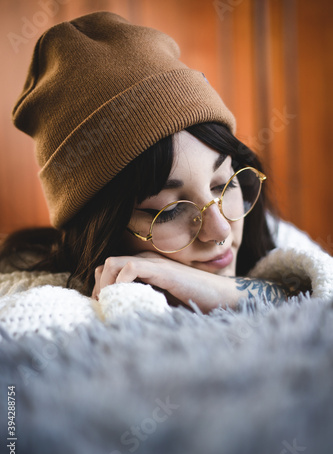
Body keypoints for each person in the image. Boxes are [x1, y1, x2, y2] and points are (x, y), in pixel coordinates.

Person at [0, 11, 331, 315]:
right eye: (169, 211)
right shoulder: (36, 294)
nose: (220, 231)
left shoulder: (271, 234)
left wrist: (215, 290)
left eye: (223, 184)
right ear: (101, 227)